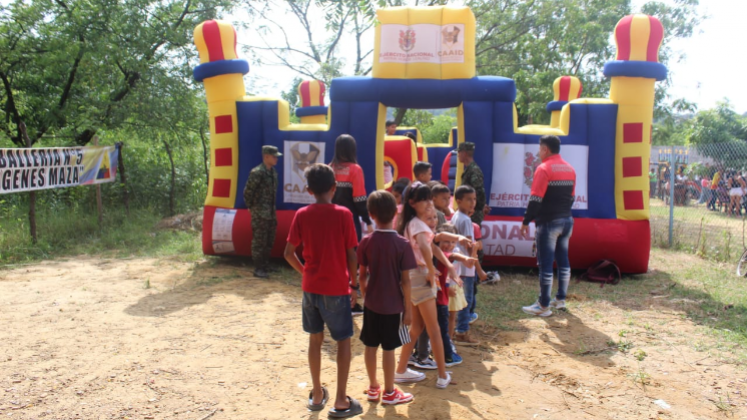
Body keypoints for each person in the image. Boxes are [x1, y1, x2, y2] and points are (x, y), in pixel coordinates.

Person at [283, 164, 362, 417]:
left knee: (315, 340)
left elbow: (288, 253)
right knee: (343, 341)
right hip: (336, 289)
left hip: (310, 289)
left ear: (308, 190)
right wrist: (354, 285)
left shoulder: (302, 214)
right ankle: (340, 400)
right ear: (334, 188)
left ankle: (317, 394)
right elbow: (352, 253)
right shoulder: (344, 214)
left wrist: (305, 271)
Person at [357, 191, 416, 405]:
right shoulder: (402, 244)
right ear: (395, 213)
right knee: (389, 349)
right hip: (394, 307)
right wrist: (408, 310)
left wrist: (365, 295)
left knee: (370, 346)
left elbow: (362, 275)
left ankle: (374, 387)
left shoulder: (366, 241)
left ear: (371, 214)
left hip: (372, 305)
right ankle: (390, 391)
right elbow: (406, 281)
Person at [394, 183, 453, 388]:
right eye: (424, 200)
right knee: (433, 328)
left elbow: (431, 247)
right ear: (412, 203)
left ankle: (401, 369)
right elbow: (426, 249)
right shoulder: (418, 224)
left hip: (414, 277)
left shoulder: (413, 223)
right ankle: (442, 375)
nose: (429, 203)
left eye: (430, 199)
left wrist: (442, 266)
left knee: (418, 326)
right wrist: (430, 270)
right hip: (420, 276)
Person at [520, 135, 576, 317]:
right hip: (567, 220)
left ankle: (543, 305)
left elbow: (535, 199)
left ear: (545, 149)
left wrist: (526, 221)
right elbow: (572, 198)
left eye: (539, 149)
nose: (538, 152)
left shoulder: (543, 169)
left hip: (549, 223)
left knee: (545, 263)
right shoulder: (570, 169)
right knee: (563, 261)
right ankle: (560, 300)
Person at [243, 145, 281, 279]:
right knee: (259, 241)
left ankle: (265, 264)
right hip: (260, 213)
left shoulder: (273, 173)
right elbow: (248, 192)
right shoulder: (257, 172)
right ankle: (258, 268)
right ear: (266, 156)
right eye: (274, 156)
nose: (276, 158)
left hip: (270, 212)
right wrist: (252, 207)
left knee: (269, 240)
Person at [451, 185, 480, 346]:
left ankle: (459, 328)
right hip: (466, 265)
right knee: (466, 300)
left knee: (461, 297)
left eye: (474, 199)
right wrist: (475, 253)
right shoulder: (466, 220)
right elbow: (469, 244)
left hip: (459, 264)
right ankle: (462, 331)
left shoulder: (456, 216)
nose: (472, 203)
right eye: (469, 200)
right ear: (459, 201)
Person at [330, 134, 373, 241]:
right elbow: (359, 198)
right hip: (350, 220)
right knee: (351, 253)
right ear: (352, 149)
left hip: (330, 218)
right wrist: (367, 220)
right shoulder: (355, 169)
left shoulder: (330, 167)